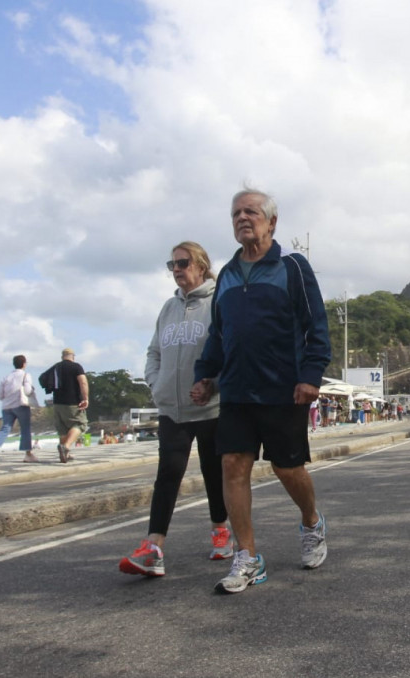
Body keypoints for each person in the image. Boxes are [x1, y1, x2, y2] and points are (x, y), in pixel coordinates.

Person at [191, 188, 332, 595]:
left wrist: (310, 375)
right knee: (233, 464)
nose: (242, 218)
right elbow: (217, 334)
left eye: (251, 212)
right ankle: (248, 556)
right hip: (235, 390)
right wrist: (205, 374)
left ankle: (310, 522)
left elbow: (315, 326)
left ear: (272, 222)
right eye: (236, 213)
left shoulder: (292, 267)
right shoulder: (228, 276)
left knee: (288, 469)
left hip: (283, 389)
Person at [120, 241, 233, 578]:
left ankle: (221, 530)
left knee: (215, 475)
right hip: (172, 408)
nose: (177, 270)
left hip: (210, 407)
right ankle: (153, 548)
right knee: (168, 475)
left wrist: (213, 382)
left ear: (201, 265)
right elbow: (153, 352)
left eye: (183, 263)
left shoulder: (218, 303)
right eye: (172, 265)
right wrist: (157, 384)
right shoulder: (168, 308)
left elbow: (230, 350)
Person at [0, 354, 39, 465]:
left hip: (6, 407)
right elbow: (28, 391)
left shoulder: (6, 377)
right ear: (24, 364)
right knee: (25, 429)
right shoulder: (25, 375)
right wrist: (32, 390)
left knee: (5, 428)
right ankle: (28, 454)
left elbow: (0, 395)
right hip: (20, 405)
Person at [40, 347, 89, 463]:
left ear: (62, 357)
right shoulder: (76, 367)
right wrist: (86, 398)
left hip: (57, 403)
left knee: (62, 429)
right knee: (80, 424)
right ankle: (66, 446)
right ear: (73, 356)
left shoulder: (56, 367)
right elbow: (83, 382)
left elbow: (42, 378)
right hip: (72, 402)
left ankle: (65, 454)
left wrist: (49, 388)